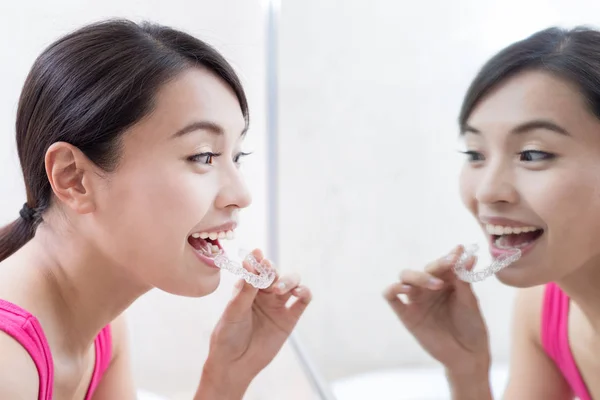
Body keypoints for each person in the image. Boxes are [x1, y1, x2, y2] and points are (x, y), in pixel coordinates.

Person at [0, 19, 311, 399]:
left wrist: (227, 374)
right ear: (73, 178)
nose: (241, 194)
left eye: (236, 155)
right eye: (203, 155)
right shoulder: (6, 366)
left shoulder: (100, 327)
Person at [384, 26, 600, 400]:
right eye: (475, 154)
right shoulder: (545, 311)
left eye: (532, 154)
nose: (486, 191)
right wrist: (466, 369)